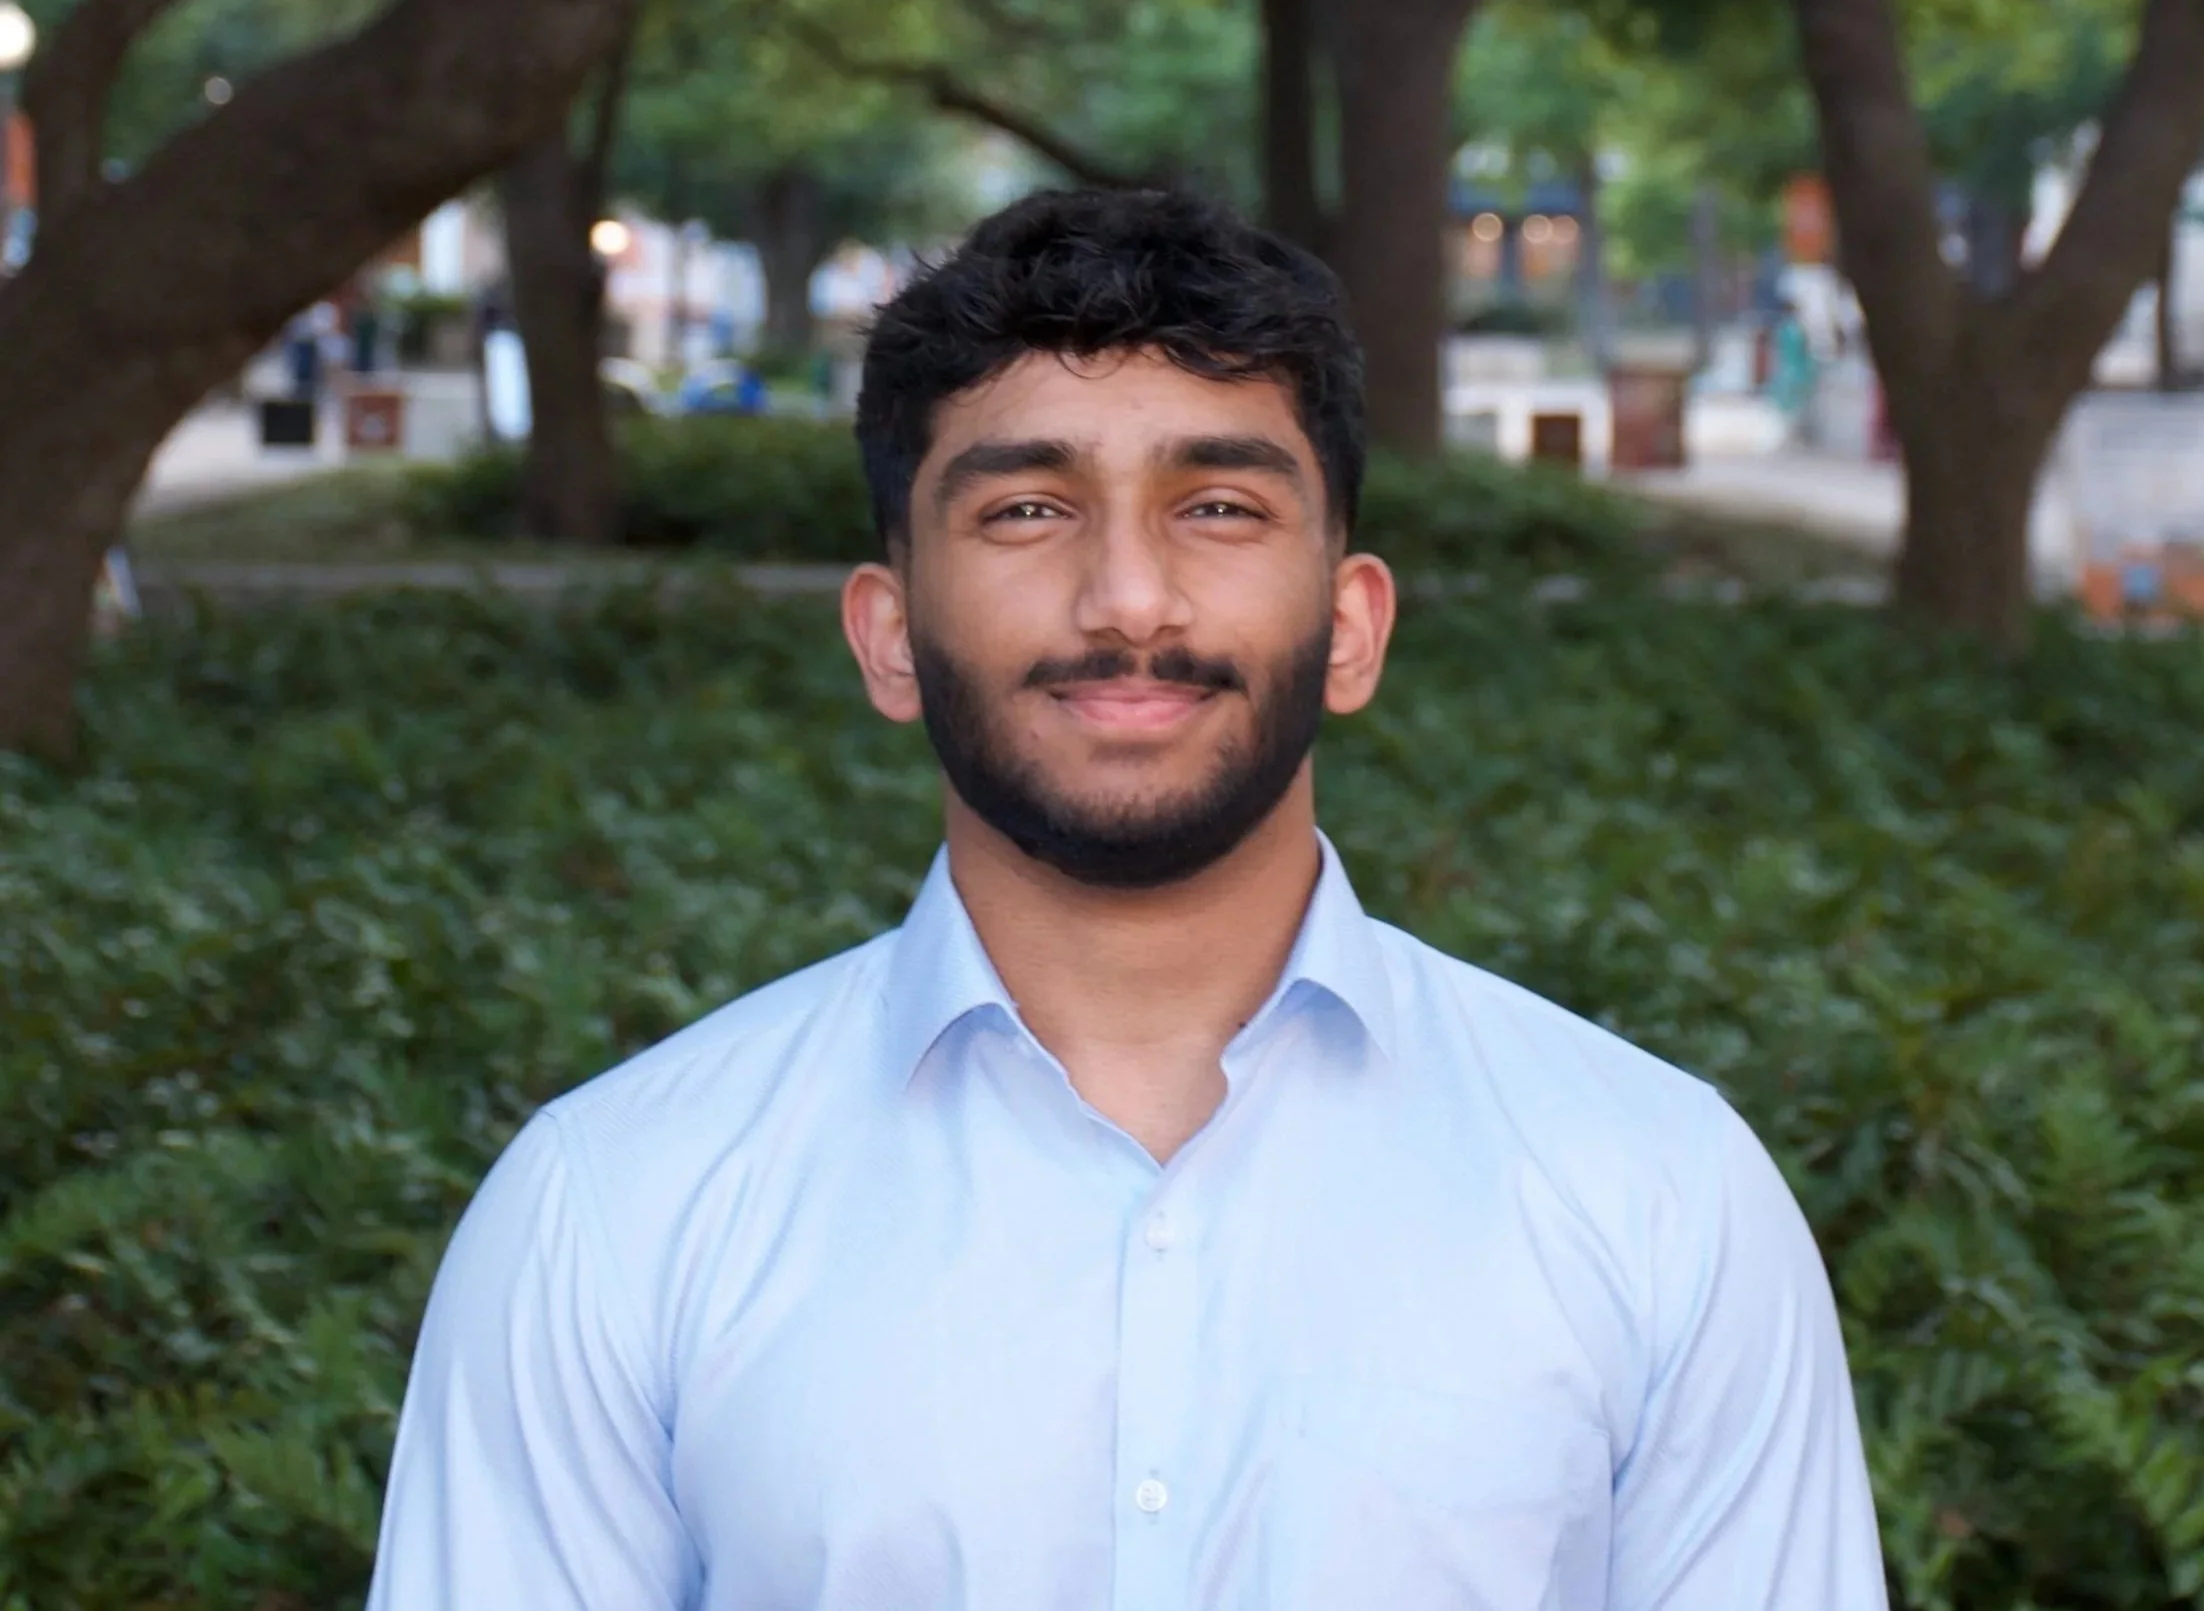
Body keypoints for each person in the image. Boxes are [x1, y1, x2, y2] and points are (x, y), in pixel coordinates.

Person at [367, 187, 1887, 1609]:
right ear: (887, 637)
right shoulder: (612, 1213)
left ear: (1351, 625)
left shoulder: (1660, 1195)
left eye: (1218, 505)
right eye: (1026, 509)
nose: (1128, 599)